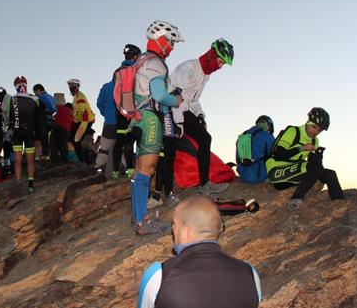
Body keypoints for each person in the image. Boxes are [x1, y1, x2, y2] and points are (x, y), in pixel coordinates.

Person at [137, 196, 261, 308]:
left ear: (186, 232)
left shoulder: (159, 276)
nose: (173, 230)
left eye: (174, 225)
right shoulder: (250, 273)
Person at [130, 20, 184, 235]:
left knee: (138, 170)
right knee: (147, 169)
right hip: (150, 118)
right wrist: (176, 101)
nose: (172, 47)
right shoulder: (155, 63)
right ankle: (142, 222)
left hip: (138, 116)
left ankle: (136, 216)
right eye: (171, 42)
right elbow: (160, 96)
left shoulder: (142, 59)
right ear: (160, 39)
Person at [170, 38, 235, 196]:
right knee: (170, 147)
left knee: (205, 138)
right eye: (220, 62)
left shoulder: (205, 75)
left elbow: (193, 100)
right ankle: (165, 191)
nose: (220, 67)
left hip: (184, 110)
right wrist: (178, 122)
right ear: (211, 55)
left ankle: (205, 184)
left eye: (223, 65)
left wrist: (200, 115)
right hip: (170, 110)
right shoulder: (188, 68)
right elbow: (173, 96)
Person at [266, 107, 344, 208]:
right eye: (314, 127)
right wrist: (301, 148)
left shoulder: (314, 141)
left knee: (330, 174)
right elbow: (278, 155)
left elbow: (312, 166)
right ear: (307, 122)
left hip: (293, 172)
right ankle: (295, 200)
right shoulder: (293, 131)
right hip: (276, 172)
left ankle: (340, 204)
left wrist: (317, 157)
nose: (316, 131)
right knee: (316, 168)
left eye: (319, 130)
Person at [112, 44, 141, 179]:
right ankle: (131, 171)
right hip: (132, 111)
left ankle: (115, 172)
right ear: (135, 57)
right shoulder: (136, 70)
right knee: (130, 142)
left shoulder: (117, 71)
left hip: (119, 112)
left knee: (119, 142)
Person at [9, 76, 40, 193]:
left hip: (17, 131)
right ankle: (31, 183)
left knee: (17, 159)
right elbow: (38, 116)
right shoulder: (34, 98)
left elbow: (9, 117)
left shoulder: (12, 99)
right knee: (30, 159)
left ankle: (18, 182)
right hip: (29, 131)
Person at [236, 115, 275, 183]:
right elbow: (275, 153)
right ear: (268, 125)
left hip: (243, 175)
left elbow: (237, 158)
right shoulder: (267, 136)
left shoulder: (243, 136)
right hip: (259, 176)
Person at [67, 78, 96, 163]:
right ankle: (82, 160)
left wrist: (74, 120)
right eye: (70, 85)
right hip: (82, 121)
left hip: (84, 121)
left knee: (76, 139)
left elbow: (80, 110)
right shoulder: (76, 96)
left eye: (73, 85)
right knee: (75, 139)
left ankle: (82, 161)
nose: (71, 87)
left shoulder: (80, 96)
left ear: (77, 86)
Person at [32, 83, 56, 164]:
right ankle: (48, 159)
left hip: (43, 120)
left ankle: (40, 161)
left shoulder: (41, 97)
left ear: (38, 90)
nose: (35, 94)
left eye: (35, 92)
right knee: (48, 141)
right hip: (52, 120)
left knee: (40, 140)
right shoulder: (51, 97)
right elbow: (55, 109)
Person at [51, 93, 72, 165]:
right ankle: (65, 161)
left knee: (54, 145)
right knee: (64, 145)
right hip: (66, 129)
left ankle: (55, 162)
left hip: (57, 127)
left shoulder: (55, 108)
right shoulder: (69, 110)